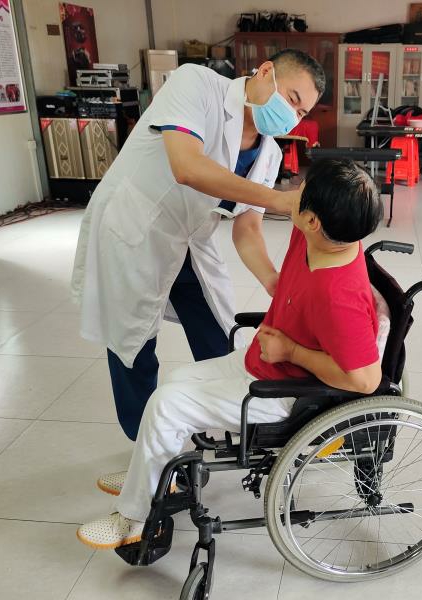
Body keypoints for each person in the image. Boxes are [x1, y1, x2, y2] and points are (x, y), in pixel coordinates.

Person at [76, 158, 384, 549]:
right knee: (173, 384)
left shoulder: (339, 295)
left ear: (311, 220)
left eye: (301, 191)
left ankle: (134, 518)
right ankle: (154, 477)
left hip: (286, 393)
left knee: (168, 405)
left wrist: (292, 351)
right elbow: (249, 228)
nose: (293, 192)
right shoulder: (323, 236)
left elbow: (365, 380)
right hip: (262, 362)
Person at [71, 49, 326, 445]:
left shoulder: (269, 153)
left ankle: (222, 424)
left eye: (301, 112)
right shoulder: (197, 84)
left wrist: (273, 281)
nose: (291, 116)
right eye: (291, 99)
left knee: (222, 337)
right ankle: (148, 451)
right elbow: (187, 167)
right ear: (266, 72)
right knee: (133, 345)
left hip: (190, 240)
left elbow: (247, 229)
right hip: (136, 230)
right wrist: (279, 199)